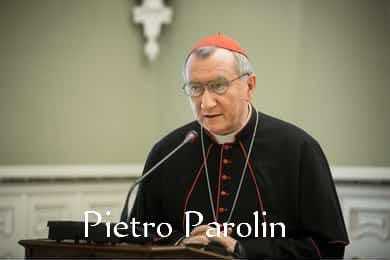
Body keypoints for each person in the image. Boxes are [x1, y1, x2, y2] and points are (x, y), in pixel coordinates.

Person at [121, 33, 349, 259]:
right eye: (195, 88)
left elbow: (328, 247)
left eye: (218, 86)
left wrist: (244, 251)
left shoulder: (299, 149)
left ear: (249, 86)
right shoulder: (167, 151)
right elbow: (135, 236)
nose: (206, 103)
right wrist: (182, 244)